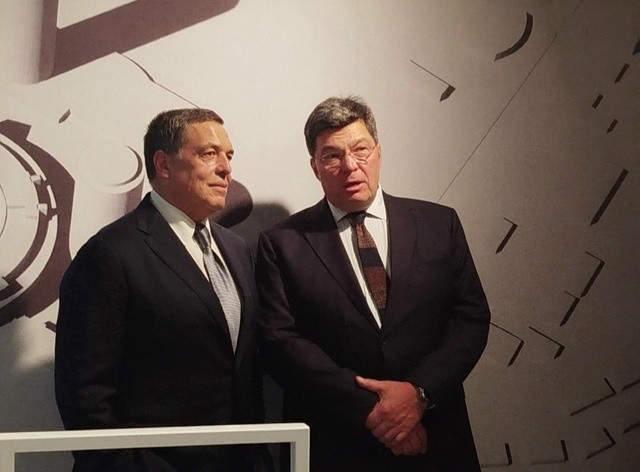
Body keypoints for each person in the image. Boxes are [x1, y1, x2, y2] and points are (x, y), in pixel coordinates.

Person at [256, 96, 490, 471]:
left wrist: (418, 394)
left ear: (378, 152)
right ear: (315, 167)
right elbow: (279, 341)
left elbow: (471, 318)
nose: (350, 165)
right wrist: (375, 410)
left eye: (360, 149)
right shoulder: (282, 243)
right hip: (338, 444)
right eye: (332, 156)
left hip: (438, 436)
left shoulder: (438, 223)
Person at [55, 108, 271, 472]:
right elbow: (85, 393)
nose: (225, 169)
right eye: (209, 154)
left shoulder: (236, 249)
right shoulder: (109, 253)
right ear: (163, 164)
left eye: (229, 156)